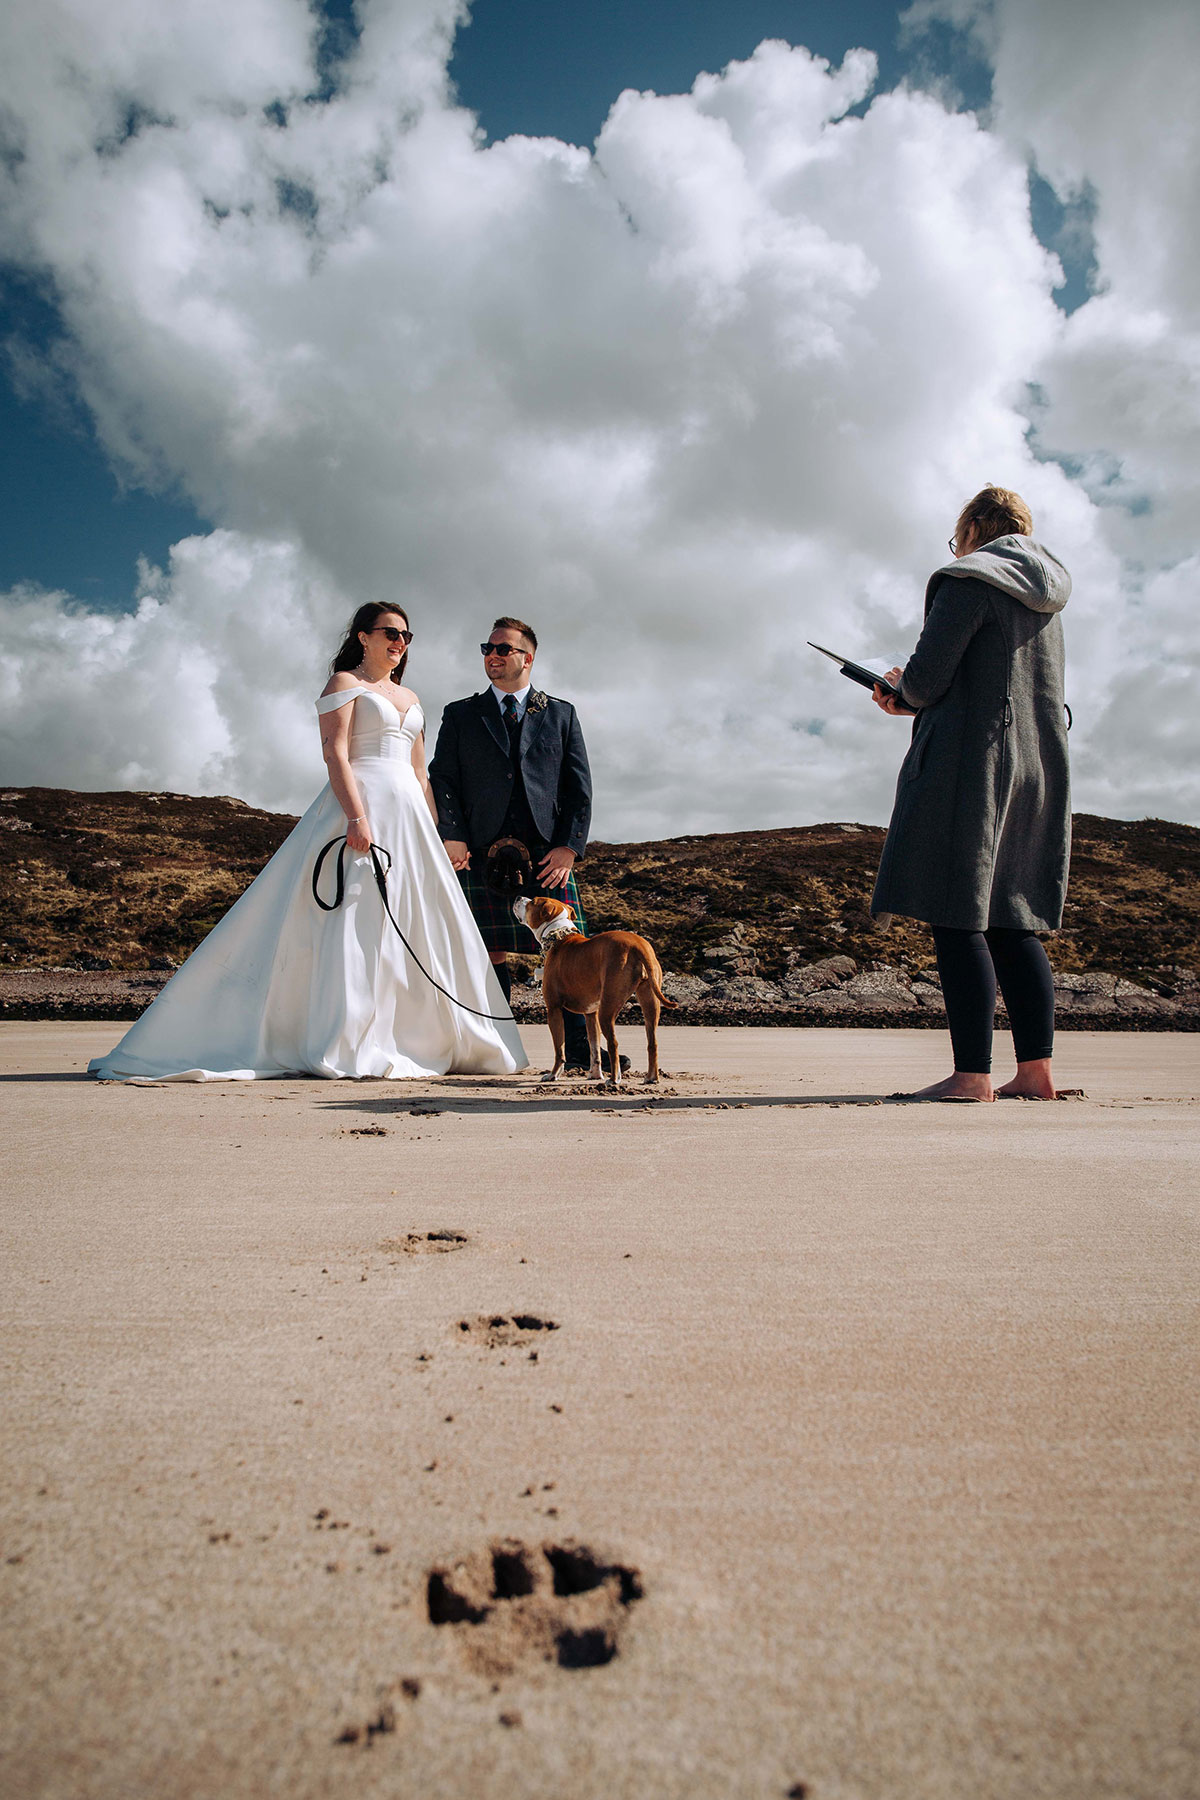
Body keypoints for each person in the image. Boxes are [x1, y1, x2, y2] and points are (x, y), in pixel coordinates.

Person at [88, 603, 527, 1081]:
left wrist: (438, 835)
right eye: (390, 634)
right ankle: (345, 1037)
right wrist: (357, 818)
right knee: (352, 920)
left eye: (406, 636)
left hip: (409, 822)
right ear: (363, 637)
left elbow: (421, 774)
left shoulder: (410, 696)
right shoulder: (344, 683)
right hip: (360, 810)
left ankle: (413, 1036)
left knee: (418, 922)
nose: (399, 643)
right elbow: (334, 753)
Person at [870, 485, 1071, 1101]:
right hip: (1037, 763)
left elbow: (930, 679)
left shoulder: (967, 579)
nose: (955, 546)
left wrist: (901, 690)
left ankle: (971, 1075)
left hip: (973, 762)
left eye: (957, 535)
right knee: (1014, 917)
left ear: (976, 527)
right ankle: (1035, 1074)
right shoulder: (1049, 596)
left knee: (958, 911)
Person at [429, 616, 606, 1072]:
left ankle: (584, 1054)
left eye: (503, 648)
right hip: (479, 854)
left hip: (546, 855)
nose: (492, 654)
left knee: (566, 947)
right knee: (486, 950)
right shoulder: (462, 713)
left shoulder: (560, 713)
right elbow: (443, 778)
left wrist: (570, 846)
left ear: (528, 657)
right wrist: (452, 834)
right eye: (487, 647)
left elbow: (578, 788)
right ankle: (496, 1045)